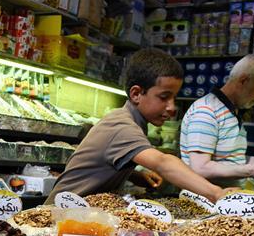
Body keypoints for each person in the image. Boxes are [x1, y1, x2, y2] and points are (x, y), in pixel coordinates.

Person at [47, 48, 229, 204]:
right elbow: (162, 162)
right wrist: (217, 193)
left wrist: (135, 175)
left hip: (78, 212)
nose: (172, 107)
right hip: (57, 215)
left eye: (174, 98)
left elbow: (100, 166)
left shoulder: (131, 122)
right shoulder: (122, 126)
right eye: (164, 97)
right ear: (136, 94)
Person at [180, 53, 254, 185]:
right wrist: (251, 170)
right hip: (203, 197)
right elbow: (200, 167)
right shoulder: (207, 110)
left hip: (225, 196)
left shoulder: (232, 112)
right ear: (243, 80)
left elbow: (226, 161)